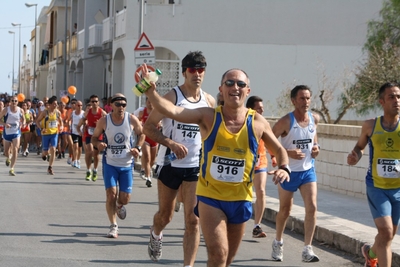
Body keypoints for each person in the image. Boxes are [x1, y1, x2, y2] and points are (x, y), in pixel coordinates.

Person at [144, 65, 290, 267]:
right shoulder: (208, 116)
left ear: (248, 90)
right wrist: (150, 91)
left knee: (226, 259)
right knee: (218, 254)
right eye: (229, 83)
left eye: (241, 84)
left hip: (240, 198)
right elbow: (173, 110)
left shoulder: (257, 122)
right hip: (211, 198)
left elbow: (279, 150)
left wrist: (284, 167)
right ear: (221, 90)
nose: (235, 87)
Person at [143, 51, 215, 266]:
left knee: (193, 220)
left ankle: (188, 265)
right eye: (192, 70)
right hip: (170, 164)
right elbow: (148, 127)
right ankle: (156, 233)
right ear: (184, 72)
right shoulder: (172, 97)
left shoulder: (209, 101)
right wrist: (171, 143)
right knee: (165, 216)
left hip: (195, 167)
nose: (197, 74)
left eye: (201, 70)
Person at [347, 82, 400, 267]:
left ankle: (370, 254)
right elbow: (359, 147)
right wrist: (355, 156)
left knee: (389, 234)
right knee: (385, 233)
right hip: (376, 187)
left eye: (399, 97)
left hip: (398, 189)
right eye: (392, 97)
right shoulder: (371, 125)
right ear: (382, 101)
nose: (396, 101)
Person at [270, 85, 320, 262]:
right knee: (285, 210)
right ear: (293, 101)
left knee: (312, 207)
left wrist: (316, 149)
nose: (305, 102)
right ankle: (278, 242)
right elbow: (269, 141)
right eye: (302, 98)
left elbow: (314, 139)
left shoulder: (314, 118)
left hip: (307, 170)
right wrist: (287, 153)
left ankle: (307, 249)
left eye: (308, 98)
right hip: (289, 172)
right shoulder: (285, 122)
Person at [92, 93, 145, 238]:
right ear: (111, 106)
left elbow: (142, 134)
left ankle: (120, 206)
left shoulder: (131, 119)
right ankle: (113, 226)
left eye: (123, 104)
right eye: (118, 104)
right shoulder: (104, 121)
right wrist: (98, 144)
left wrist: (137, 148)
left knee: (125, 198)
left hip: (127, 164)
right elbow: (94, 138)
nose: (121, 107)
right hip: (110, 163)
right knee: (111, 195)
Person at [245, 95, 268, 238]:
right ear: (250, 109)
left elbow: (272, 140)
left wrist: (277, 157)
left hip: (261, 162)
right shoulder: (243, 122)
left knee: (261, 191)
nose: (261, 111)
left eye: (262, 108)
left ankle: (257, 226)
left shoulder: (264, 123)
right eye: (258, 108)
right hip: (244, 163)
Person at [77, 95, 107, 181]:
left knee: (96, 153)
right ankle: (88, 170)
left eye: (96, 101)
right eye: (92, 101)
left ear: (98, 103)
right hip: (89, 134)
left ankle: (95, 170)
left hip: (98, 135)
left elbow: (108, 123)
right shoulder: (87, 112)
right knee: (89, 151)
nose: (94, 103)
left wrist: (101, 124)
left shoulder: (102, 113)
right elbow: (82, 121)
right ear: (90, 102)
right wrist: (79, 129)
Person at [36, 96, 63, 175]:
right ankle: (43, 154)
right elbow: (37, 121)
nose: (56, 105)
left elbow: (61, 121)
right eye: (54, 104)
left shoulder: (57, 112)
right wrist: (41, 129)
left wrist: (61, 127)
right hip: (45, 134)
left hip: (54, 133)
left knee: (53, 149)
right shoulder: (45, 112)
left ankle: (50, 167)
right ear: (50, 104)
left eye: (56, 104)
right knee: (46, 152)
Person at [0, 95, 26, 176]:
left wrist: (23, 123)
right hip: (7, 132)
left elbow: (24, 119)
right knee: (6, 151)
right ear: (10, 102)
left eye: (15, 101)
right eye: (12, 101)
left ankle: (12, 169)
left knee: (15, 149)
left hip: (16, 132)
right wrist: (5, 124)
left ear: (18, 102)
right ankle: (8, 157)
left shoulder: (20, 110)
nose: (14, 102)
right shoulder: (5, 110)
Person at [138, 97, 160, 187]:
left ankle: (147, 169)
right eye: (148, 102)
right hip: (145, 138)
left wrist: (160, 124)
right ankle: (148, 178)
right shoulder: (142, 112)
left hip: (155, 139)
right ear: (146, 102)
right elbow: (138, 120)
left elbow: (161, 122)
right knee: (147, 156)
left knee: (152, 160)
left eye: (152, 102)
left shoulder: (157, 112)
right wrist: (140, 124)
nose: (150, 104)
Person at [67, 100, 84, 168]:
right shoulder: (73, 113)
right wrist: (68, 126)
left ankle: (78, 160)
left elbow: (86, 121)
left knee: (80, 148)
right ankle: (75, 160)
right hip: (74, 132)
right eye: (78, 105)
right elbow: (68, 120)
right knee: (75, 146)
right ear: (75, 106)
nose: (79, 107)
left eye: (81, 105)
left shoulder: (83, 113)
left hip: (81, 133)